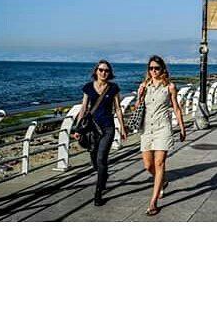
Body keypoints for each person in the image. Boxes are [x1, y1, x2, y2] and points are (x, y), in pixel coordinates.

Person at [136, 55, 186, 216]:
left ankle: (153, 202)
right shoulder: (145, 85)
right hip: (147, 129)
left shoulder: (170, 86)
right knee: (148, 165)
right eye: (151, 68)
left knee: (159, 163)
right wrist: (139, 95)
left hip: (163, 128)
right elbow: (138, 107)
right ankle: (163, 181)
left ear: (162, 69)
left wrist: (182, 128)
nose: (153, 71)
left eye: (156, 68)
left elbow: (176, 108)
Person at [74, 59, 128, 207]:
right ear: (96, 71)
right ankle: (103, 175)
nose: (104, 73)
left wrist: (123, 127)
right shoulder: (88, 88)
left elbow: (117, 109)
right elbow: (84, 108)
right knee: (94, 162)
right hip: (92, 129)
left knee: (101, 158)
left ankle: (98, 193)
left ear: (110, 73)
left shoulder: (113, 88)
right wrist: (78, 129)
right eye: (101, 70)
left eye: (106, 71)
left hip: (108, 128)